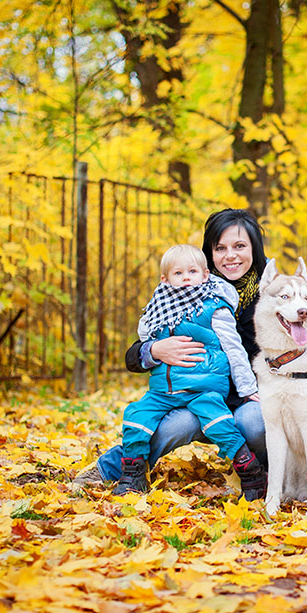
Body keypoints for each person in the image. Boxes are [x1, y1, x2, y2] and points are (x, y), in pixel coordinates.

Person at [72, 209, 269, 498]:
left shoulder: (272, 293)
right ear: (209, 254)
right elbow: (134, 353)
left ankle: (267, 472)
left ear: (254, 248)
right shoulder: (184, 287)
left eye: (240, 246)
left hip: (248, 397)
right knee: (176, 424)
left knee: (252, 422)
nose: (230, 256)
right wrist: (154, 350)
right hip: (194, 394)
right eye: (220, 248)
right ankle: (111, 469)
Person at [112, 243, 265, 496]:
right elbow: (142, 336)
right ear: (165, 279)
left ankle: (250, 472)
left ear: (205, 275)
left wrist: (248, 388)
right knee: (136, 416)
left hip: (202, 387)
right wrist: (154, 348)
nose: (185, 279)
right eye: (178, 274)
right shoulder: (159, 307)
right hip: (164, 390)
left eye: (192, 272)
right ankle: (133, 474)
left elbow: (234, 348)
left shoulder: (215, 307)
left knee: (219, 423)